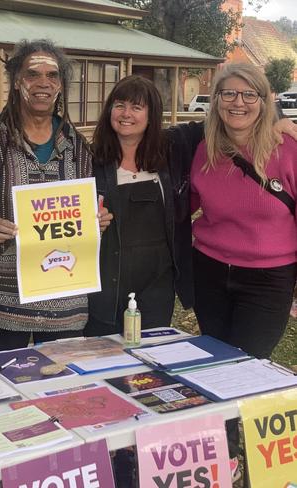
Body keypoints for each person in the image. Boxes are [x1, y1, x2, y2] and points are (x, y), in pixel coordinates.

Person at [0, 39, 111, 352]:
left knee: (60, 394)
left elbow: (87, 210)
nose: (43, 82)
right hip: (3, 303)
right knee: (2, 389)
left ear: (61, 86)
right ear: (16, 81)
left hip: (65, 302)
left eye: (53, 75)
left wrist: (95, 221)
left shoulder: (80, 149)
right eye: (33, 74)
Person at [191, 63, 297, 477]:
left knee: (248, 367)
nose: (238, 103)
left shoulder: (286, 147)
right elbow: (185, 206)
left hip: (269, 277)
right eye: (229, 94)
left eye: (248, 94)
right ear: (215, 101)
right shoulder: (204, 149)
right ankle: (220, 455)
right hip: (211, 270)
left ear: (264, 99)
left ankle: (249, 457)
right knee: (213, 365)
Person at [85, 75, 203, 336]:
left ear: (152, 115)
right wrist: (88, 221)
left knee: (150, 363)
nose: (126, 114)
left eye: (136, 107)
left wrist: (275, 118)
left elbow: (226, 121)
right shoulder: (89, 159)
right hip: (104, 286)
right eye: (119, 105)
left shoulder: (174, 148)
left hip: (157, 287)